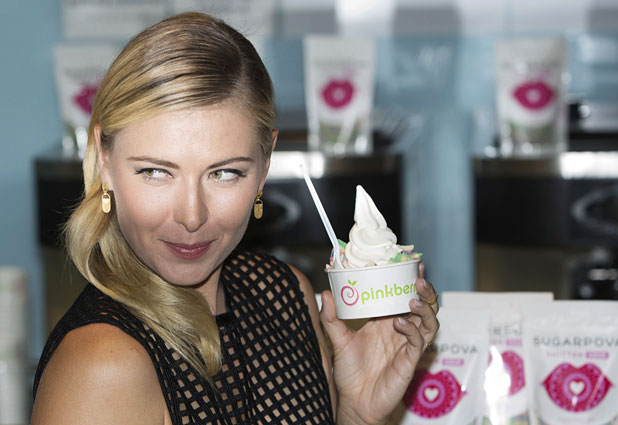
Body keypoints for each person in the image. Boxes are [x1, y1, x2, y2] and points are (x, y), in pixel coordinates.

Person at [30, 11, 439, 425]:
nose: (192, 216)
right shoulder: (103, 364)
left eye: (224, 173)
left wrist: (356, 414)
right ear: (105, 161)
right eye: (155, 171)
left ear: (264, 165)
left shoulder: (284, 294)